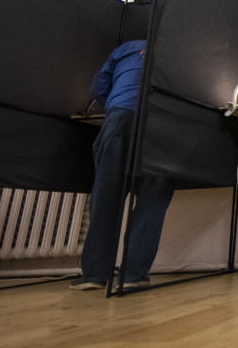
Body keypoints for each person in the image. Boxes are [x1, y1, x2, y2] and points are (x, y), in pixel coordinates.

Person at [70, 40, 175, 290]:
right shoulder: (179, 48)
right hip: (163, 125)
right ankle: (132, 274)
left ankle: (95, 274)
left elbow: (100, 86)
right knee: (153, 201)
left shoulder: (126, 48)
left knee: (106, 198)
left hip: (119, 118)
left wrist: (116, 108)